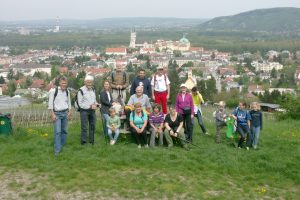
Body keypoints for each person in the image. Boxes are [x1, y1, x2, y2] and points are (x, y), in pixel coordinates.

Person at [48, 76, 72, 156]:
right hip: (57, 114)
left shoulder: (67, 92)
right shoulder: (53, 91)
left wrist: (69, 112)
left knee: (64, 131)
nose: (64, 85)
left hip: (65, 113)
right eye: (62, 83)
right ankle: (57, 151)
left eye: (65, 83)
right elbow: (50, 103)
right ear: (59, 83)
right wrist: (52, 114)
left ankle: (62, 146)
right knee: (58, 132)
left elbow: (69, 102)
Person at [77, 75, 99, 145]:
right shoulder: (81, 90)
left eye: (91, 82)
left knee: (93, 126)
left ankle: (91, 141)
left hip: (92, 111)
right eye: (88, 82)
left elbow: (94, 100)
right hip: (84, 111)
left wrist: (97, 104)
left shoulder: (93, 89)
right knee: (84, 127)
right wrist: (90, 106)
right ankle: (83, 142)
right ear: (85, 82)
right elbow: (80, 104)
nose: (89, 84)